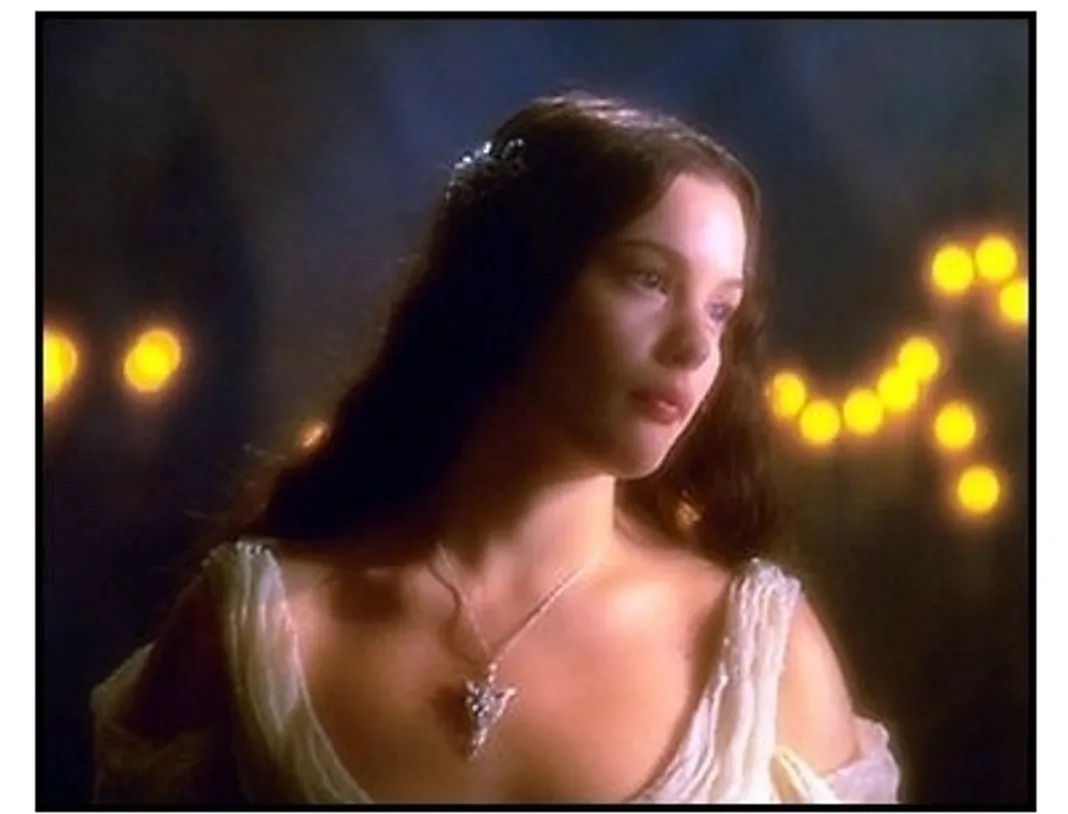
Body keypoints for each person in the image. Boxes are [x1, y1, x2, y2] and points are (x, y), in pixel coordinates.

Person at [89, 91, 901, 804]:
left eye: (722, 309)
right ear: (515, 283)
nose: (695, 347)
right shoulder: (261, 623)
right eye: (649, 279)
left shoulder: (759, 652)